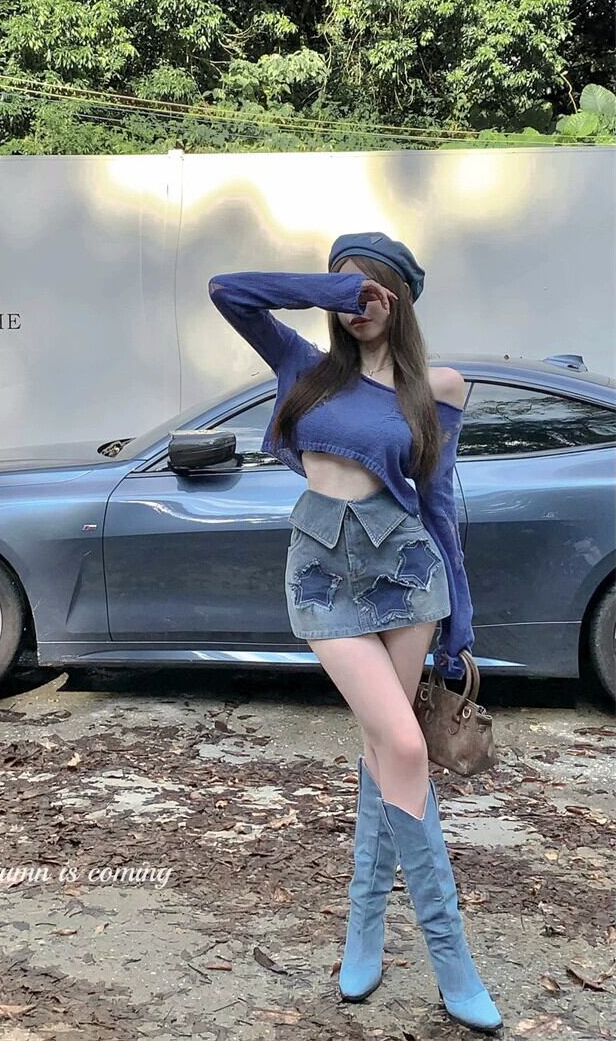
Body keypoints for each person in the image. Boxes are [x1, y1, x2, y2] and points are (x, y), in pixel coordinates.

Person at [208, 232, 503, 1035]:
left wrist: (461, 617)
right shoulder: (303, 366)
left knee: (385, 752)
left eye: (373, 288)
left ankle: (364, 931)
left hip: (406, 575)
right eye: (347, 291)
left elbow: (439, 503)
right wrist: (330, 289)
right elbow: (228, 289)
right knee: (402, 746)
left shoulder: (436, 387)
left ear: (402, 297)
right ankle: (453, 962)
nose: (359, 303)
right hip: (321, 577)